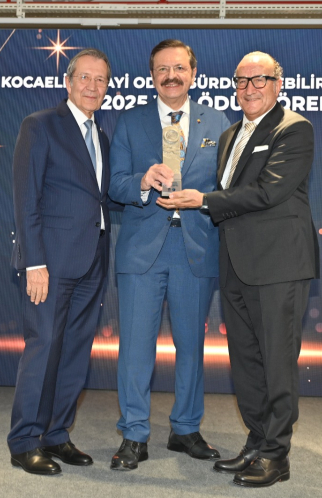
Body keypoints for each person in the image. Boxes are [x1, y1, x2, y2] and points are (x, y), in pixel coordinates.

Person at [158, 51, 320, 487]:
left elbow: (268, 192)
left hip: (279, 265)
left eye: (259, 79)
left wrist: (203, 201)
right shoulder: (230, 134)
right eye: (242, 81)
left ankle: (276, 454)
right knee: (246, 361)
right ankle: (256, 442)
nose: (250, 88)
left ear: (277, 84)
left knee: (277, 362)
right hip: (235, 263)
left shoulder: (294, 129)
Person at [108, 39, 230, 470]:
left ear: (193, 73)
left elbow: (228, 187)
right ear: (152, 76)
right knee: (135, 348)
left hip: (194, 248)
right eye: (162, 69)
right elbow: (114, 184)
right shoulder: (130, 122)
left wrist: (204, 199)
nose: (171, 76)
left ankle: (186, 429)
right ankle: (134, 434)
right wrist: (142, 181)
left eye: (179, 68)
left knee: (192, 347)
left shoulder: (219, 121)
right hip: (141, 251)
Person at [8, 49, 112, 476]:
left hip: (92, 261)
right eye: (84, 77)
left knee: (74, 352)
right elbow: (26, 199)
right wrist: (34, 262)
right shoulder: (40, 125)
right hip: (49, 265)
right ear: (68, 82)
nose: (92, 86)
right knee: (44, 348)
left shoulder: (101, 135)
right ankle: (24, 441)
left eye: (100, 80)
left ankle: (56, 434)